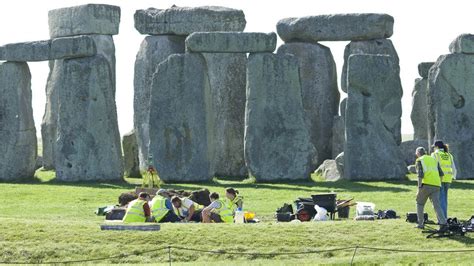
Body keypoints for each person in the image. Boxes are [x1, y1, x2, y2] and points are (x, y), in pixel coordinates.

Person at [414, 147, 447, 230]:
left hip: (425, 185)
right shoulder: (434, 160)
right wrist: (439, 183)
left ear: (418, 153)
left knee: (419, 204)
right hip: (436, 185)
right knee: (437, 206)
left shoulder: (419, 160)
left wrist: (419, 187)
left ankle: (420, 224)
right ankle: (443, 224)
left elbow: (420, 175)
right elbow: (441, 174)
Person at [431, 140, 456, 218]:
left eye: (434, 147)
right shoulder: (449, 155)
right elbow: (454, 167)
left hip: (439, 179)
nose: (434, 148)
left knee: (440, 200)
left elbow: (433, 167)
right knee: (444, 199)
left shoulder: (435, 154)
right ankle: (444, 217)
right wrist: (454, 177)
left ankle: (443, 218)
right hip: (448, 179)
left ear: (437, 147)